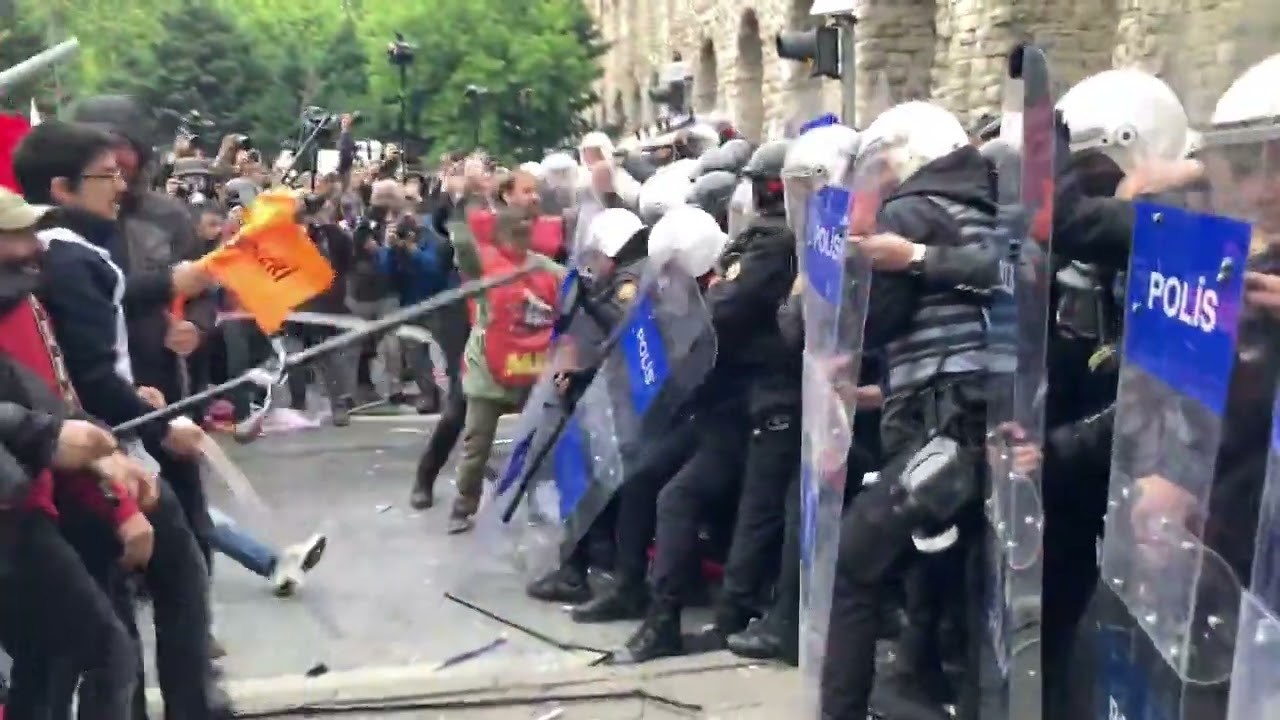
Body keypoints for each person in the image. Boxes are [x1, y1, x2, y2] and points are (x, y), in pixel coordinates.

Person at [13, 119, 233, 718]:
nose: (120, 187)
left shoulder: (63, 258)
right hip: (90, 455)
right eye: (107, 176)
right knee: (166, 587)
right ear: (61, 189)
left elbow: (78, 366)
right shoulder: (66, 259)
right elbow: (85, 378)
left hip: (94, 443)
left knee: (112, 616)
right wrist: (156, 425)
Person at [0, 186, 150, 720]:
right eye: (16, 235)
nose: (34, 247)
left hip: (27, 503)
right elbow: (46, 420)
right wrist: (51, 438)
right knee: (103, 650)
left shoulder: (22, 303)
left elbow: (53, 403)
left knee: (48, 661)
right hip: (15, 517)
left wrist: (97, 451)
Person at [443, 202, 565, 533]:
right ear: (501, 236)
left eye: (526, 231)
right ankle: (463, 504)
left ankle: (544, 502)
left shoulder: (546, 270)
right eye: (514, 233)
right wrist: (458, 207)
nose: (520, 239)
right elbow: (465, 250)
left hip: (532, 372)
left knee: (545, 444)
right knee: (476, 448)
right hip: (488, 375)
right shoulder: (487, 269)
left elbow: (573, 290)